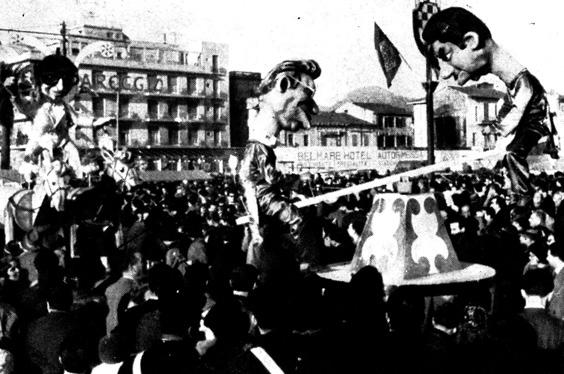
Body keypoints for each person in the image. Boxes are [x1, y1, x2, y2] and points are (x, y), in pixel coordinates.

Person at [423, 7, 559, 206]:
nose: (446, 73)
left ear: (471, 41)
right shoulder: (512, 82)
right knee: (510, 153)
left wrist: (499, 129)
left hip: (538, 118)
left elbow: (518, 108)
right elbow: (511, 106)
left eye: (447, 56)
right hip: (532, 113)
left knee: (513, 152)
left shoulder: (523, 82)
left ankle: (522, 197)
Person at [238, 59, 321, 286]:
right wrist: (297, 179)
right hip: (262, 194)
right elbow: (271, 177)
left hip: (258, 193)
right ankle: (303, 264)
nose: (313, 110)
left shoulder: (258, 144)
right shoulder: (259, 147)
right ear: (283, 85)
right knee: (296, 219)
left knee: (264, 234)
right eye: (307, 97)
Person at [24, 54, 83, 179]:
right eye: (55, 81)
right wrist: (13, 94)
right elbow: (22, 105)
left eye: (64, 82)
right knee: (44, 167)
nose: (60, 88)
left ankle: (77, 182)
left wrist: (95, 122)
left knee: (74, 155)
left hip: (62, 142)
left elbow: (76, 117)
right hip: (40, 145)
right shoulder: (36, 103)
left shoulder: (62, 105)